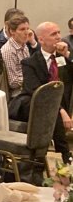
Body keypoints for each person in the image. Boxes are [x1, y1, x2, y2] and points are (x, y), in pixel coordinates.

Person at [13, 22, 73, 162]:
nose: (59, 37)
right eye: (53, 34)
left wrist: (66, 56)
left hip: (58, 104)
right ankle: (65, 155)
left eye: (59, 32)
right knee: (52, 112)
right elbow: (36, 92)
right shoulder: (29, 63)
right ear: (41, 40)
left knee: (53, 112)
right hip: (34, 104)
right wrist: (61, 111)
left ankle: (62, 158)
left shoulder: (61, 58)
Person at [1, 15, 34, 98]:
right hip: (18, 94)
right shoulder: (8, 50)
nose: (27, 32)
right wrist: (32, 77)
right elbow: (13, 82)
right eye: (22, 29)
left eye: (27, 28)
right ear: (12, 31)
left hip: (27, 87)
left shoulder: (24, 46)